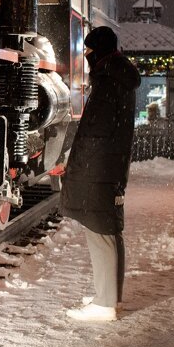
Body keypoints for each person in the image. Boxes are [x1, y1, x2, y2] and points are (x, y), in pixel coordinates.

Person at [54, 26, 140, 322]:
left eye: (90, 51)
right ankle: (110, 297)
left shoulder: (107, 82)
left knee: (100, 230)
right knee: (109, 230)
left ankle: (104, 305)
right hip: (109, 164)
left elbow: (94, 133)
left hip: (99, 167)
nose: (87, 56)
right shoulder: (119, 78)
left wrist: (75, 165)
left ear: (99, 52)